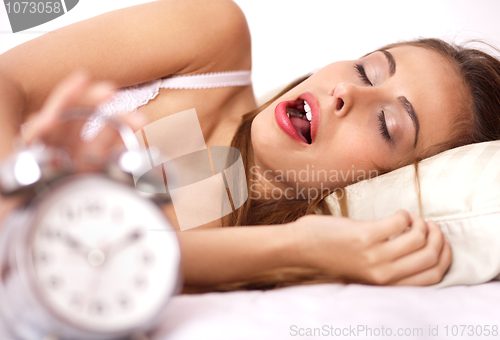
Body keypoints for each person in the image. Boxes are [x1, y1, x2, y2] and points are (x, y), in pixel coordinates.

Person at [0, 0, 499, 292]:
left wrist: (305, 247)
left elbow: (124, 254)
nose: (347, 93)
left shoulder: (235, 221)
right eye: (367, 69)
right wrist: (15, 183)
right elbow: (7, 81)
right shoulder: (214, 35)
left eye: (388, 125)